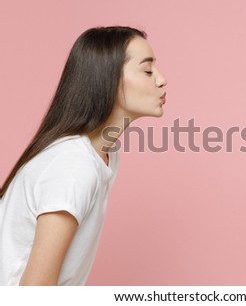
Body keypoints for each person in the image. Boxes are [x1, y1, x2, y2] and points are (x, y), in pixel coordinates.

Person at [0, 26, 167, 285]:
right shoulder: (74, 164)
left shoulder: (101, 156)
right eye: (147, 70)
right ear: (107, 79)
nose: (161, 80)